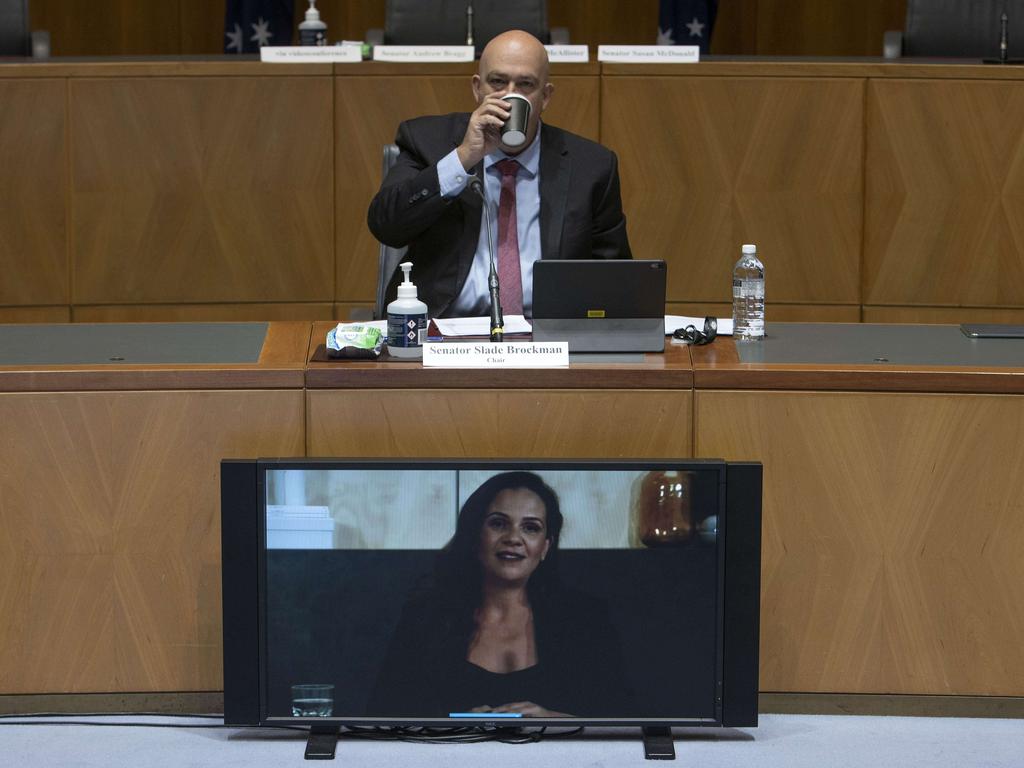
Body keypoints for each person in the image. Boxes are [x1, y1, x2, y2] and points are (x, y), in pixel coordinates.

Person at [367, 30, 632, 320]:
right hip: (444, 329)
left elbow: (614, 278)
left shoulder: (591, 166)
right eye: (497, 82)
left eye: (525, 84)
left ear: (545, 96)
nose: (509, 96)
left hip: (547, 336)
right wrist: (465, 156)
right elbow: (386, 226)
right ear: (477, 88)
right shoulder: (427, 140)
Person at [367, 471, 632, 718]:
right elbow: (379, 719)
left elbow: (625, 724)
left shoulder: (586, 619)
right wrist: (452, 728)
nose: (513, 538)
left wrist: (555, 721)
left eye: (530, 527)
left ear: (545, 547)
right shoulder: (425, 617)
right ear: (474, 536)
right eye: (498, 523)